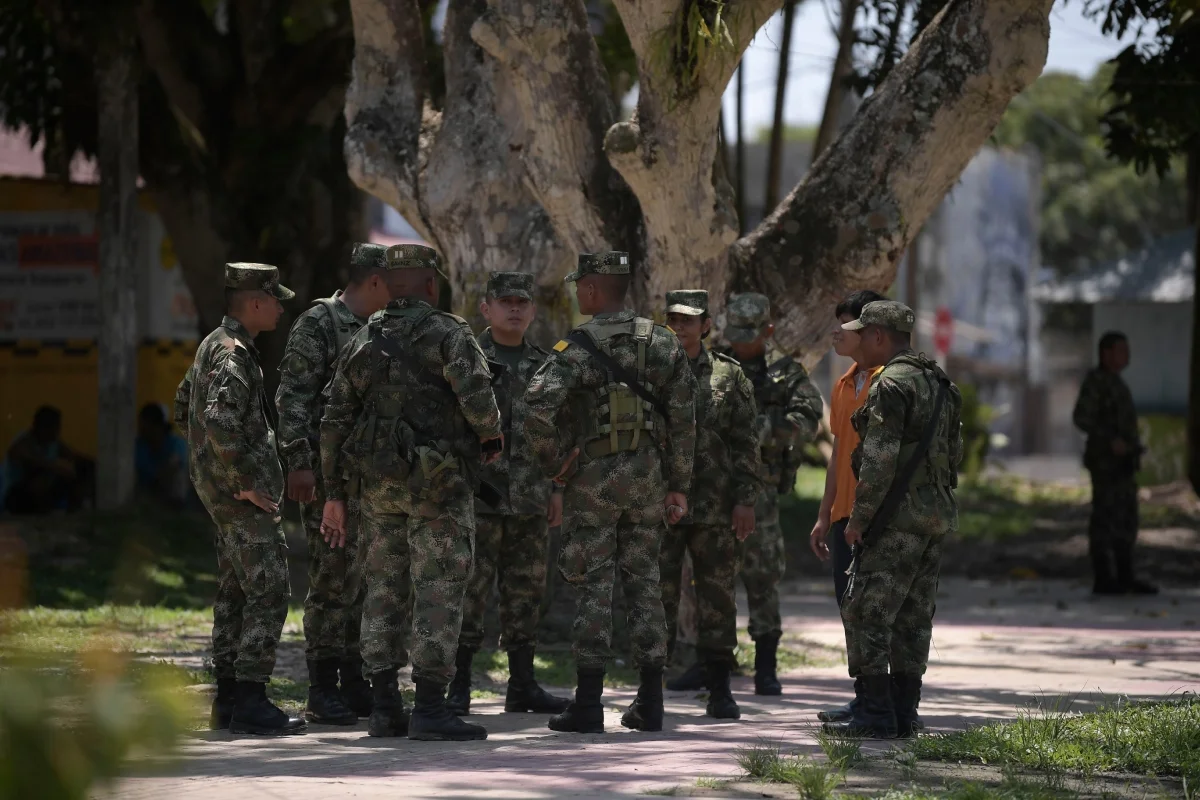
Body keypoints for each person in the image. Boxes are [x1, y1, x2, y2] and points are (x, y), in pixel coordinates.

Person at [319, 243, 503, 742]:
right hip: (438, 490)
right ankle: (429, 708)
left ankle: (383, 707)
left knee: (383, 589)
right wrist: (491, 438)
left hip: (379, 489)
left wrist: (334, 490)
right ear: (429, 284)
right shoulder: (449, 333)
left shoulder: (362, 339)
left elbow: (334, 419)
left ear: (386, 284)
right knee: (438, 588)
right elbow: (481, 406)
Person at [522, 251, 696, 734]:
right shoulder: (662, 343)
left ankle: (589, 703)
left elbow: (536, 409)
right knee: (645, 585)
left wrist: (557, 462)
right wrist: (678, 486)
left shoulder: (576, 347)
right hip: (648, 479)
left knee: (593, 584)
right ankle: (651, 701)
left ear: (595, 290)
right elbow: (684, 419)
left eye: (581, 285)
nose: (577, 292)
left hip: (593, 480)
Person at [173, 263, 305, 736]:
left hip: (220, 491)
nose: (280, 307)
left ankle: (227, 699)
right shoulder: (233, 354)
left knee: (233, 593)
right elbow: (220, 423)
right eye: (275, 299)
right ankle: (250, 699)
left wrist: (212, 470)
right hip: (240, 496)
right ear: (254, 302)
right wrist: (245, 479)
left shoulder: (213, 344)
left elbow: (182, 402)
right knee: (269, 590)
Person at [670, 292, 823, 695]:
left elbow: (808, 418)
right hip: (709, 488)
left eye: (748, 333)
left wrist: (764, 429)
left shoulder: (785, 372)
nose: (740, 341)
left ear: (768, 330)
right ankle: (708, 661)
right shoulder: (715, 363)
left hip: (762, 493)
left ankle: (766, 667)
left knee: (762, 574)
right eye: (734, 332)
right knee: (704, 578)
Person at [824, 300, 962, 739]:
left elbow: (879, 462)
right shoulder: (939, 382)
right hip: (934, 515)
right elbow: (952, 455)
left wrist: (858, 519)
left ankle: (876, 716)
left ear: (879, 337)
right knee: (914, 617)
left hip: (895, 520)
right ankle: (904, 713)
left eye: (862, 334)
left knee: (867, 611)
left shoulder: (891, 385)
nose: (857, 341)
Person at [276, 242, 393, 725]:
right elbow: (293, 398)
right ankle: (322, 686)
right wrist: (299, 464)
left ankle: (354, 679)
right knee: (330, 579)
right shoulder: (320, 323)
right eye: (395, 284)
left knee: (363, 579)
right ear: (374, 282)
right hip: (328, 478)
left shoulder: (382, 329)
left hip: (372, 479)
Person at [446, 272, 570, 717]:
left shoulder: (546, 364)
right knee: (470, 591)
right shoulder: (467, 358)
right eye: (505, 301)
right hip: (479, 497)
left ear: (534, 310)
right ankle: (457, 686)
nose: (514, 309)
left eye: (523, 302)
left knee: (526, 592)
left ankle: (522, 686)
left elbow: (559, 429)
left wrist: (556, 486)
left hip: (531, 500)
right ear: (486, 308)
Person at [658, 289, 763, 720]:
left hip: (717, 506)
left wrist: (745, 500)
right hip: (661, 505)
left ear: (707, 326)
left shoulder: (729, 375)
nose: (681, 326)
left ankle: (720, 689)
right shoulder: (652, 371)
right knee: (655, 597)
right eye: (674, 319)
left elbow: (745, 442)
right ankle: (650, 689)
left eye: (690, 319)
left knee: (718, 597)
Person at [807, 289, 886, 724]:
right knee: (849, 608)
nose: (835, 331)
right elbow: (838, 455)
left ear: (871, 331)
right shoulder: (842, 384)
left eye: (846, 323)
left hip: (877, 517)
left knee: (877, 612)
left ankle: (886, 702)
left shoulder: (890, 383)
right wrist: (824, 515)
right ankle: (864, 697)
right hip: (843, 517)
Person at [1072, 331, 1156, 595]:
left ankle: (1125, 576)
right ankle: (1104, 578)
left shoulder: (1117, 383)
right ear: (1106, 353)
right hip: (1105, 464)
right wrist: (1110, 440)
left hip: (1123, 465)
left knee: (1127, 518)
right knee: (1105, 519)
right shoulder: (1096, 382)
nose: (1126, 355)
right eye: (1121, 350)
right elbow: (1082, 418)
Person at [4, 405, 94, 514]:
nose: (56, 432)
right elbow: (23, 457)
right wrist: (55, 468)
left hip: (42, 493)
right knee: (42, 476)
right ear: (40, 427)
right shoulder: (23, 442)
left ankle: (76, 511)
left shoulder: (53, 443)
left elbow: (73, 456)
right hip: (17, 496)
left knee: (82, 470)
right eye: (53, 428)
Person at [135, 402, 190, 508]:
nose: (141, 429)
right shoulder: (140, 445)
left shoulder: (176, 443)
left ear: (156, 426)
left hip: (171, 493)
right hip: (149, 490)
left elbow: (174, 467)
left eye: (144, 425)